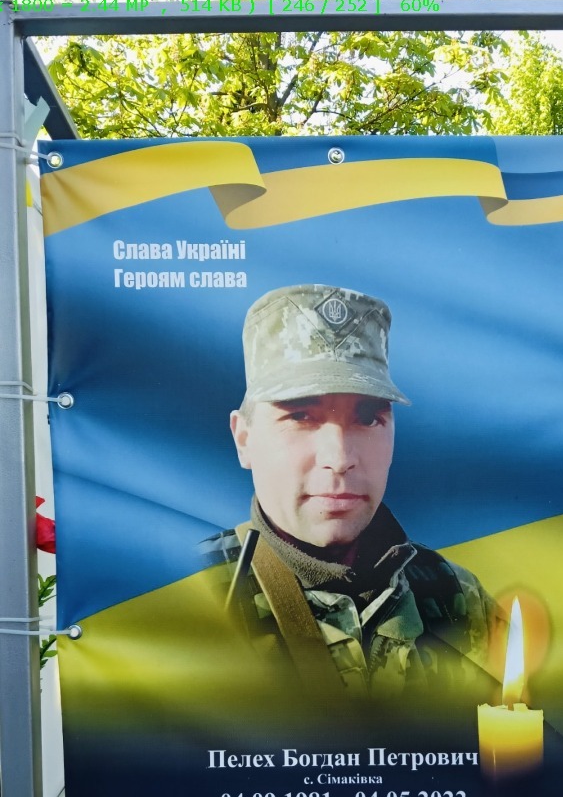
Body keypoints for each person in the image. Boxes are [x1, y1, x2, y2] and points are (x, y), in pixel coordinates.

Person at [204, 284, 505, 706]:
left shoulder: (455, 595)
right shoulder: (190, 596)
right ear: (244, 440)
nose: (340, 458)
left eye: (368, 419)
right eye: (300, 416)